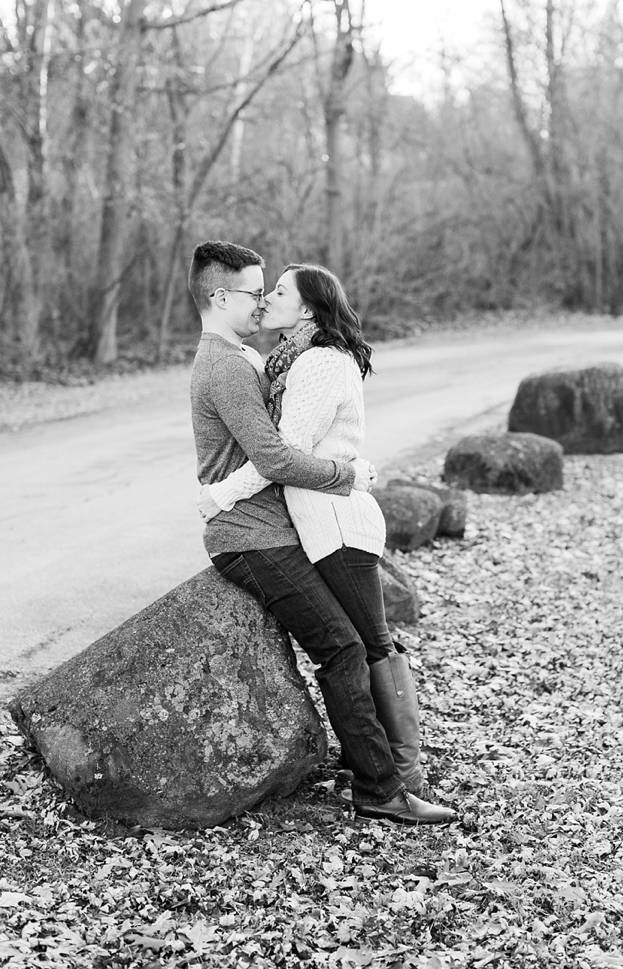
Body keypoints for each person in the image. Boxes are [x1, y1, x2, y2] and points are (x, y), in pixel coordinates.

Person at [189, 238, 451, 826]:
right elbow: (279, 458)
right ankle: (381, 789)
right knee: (344, 647)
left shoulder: (255, 360)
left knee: (356, 645)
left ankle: (386, 777)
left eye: (271, 293)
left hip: (272, 530)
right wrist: (349, 473)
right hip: (249, 536)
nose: (262, 304)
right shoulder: (227, 366)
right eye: (257, 293)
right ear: (221, 295)